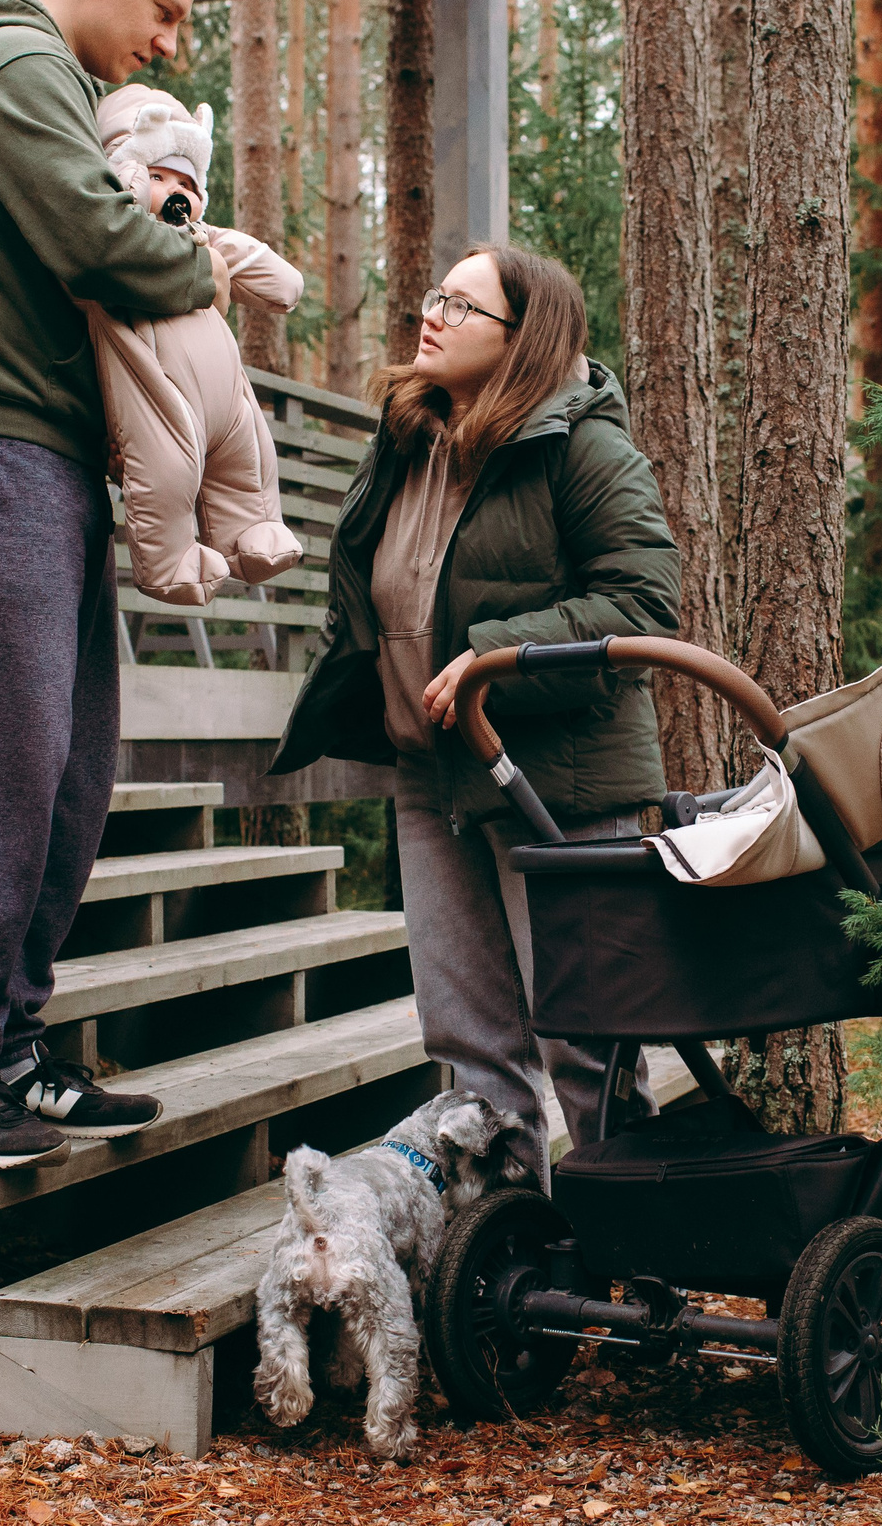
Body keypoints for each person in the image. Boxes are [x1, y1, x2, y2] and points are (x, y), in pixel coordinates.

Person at [0, 0, 227, 1172]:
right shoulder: (12, 68)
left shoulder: (44, 84)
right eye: (162, 8)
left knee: (70, 772)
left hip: (48, 458)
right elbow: (108, 245)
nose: (168, 42)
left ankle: (12, 1043)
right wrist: (206, 262)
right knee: (2, 763)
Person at [270, 245, 681, 1183]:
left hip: (557, 781)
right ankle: (517, 1271)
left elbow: (645, 604)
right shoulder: (410, 440)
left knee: (585, 1037)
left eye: (461, 304)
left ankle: (640, 1256)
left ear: (521, 337)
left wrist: (496, 656)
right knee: (471, 1047)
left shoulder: (582, 445)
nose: (433, 314)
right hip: (433, 775)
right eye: (433, 296)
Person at [88, 83, 304, 605]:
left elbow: (282, 285)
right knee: (163, 476)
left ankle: (253, 533)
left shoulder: (205, 239)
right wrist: (128, 188)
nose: (173, 190)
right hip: (161, 403)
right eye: (157, 175)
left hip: (225, 399)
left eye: (186, 180)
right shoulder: (113, 245)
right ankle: (171, 564)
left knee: (251, 455)